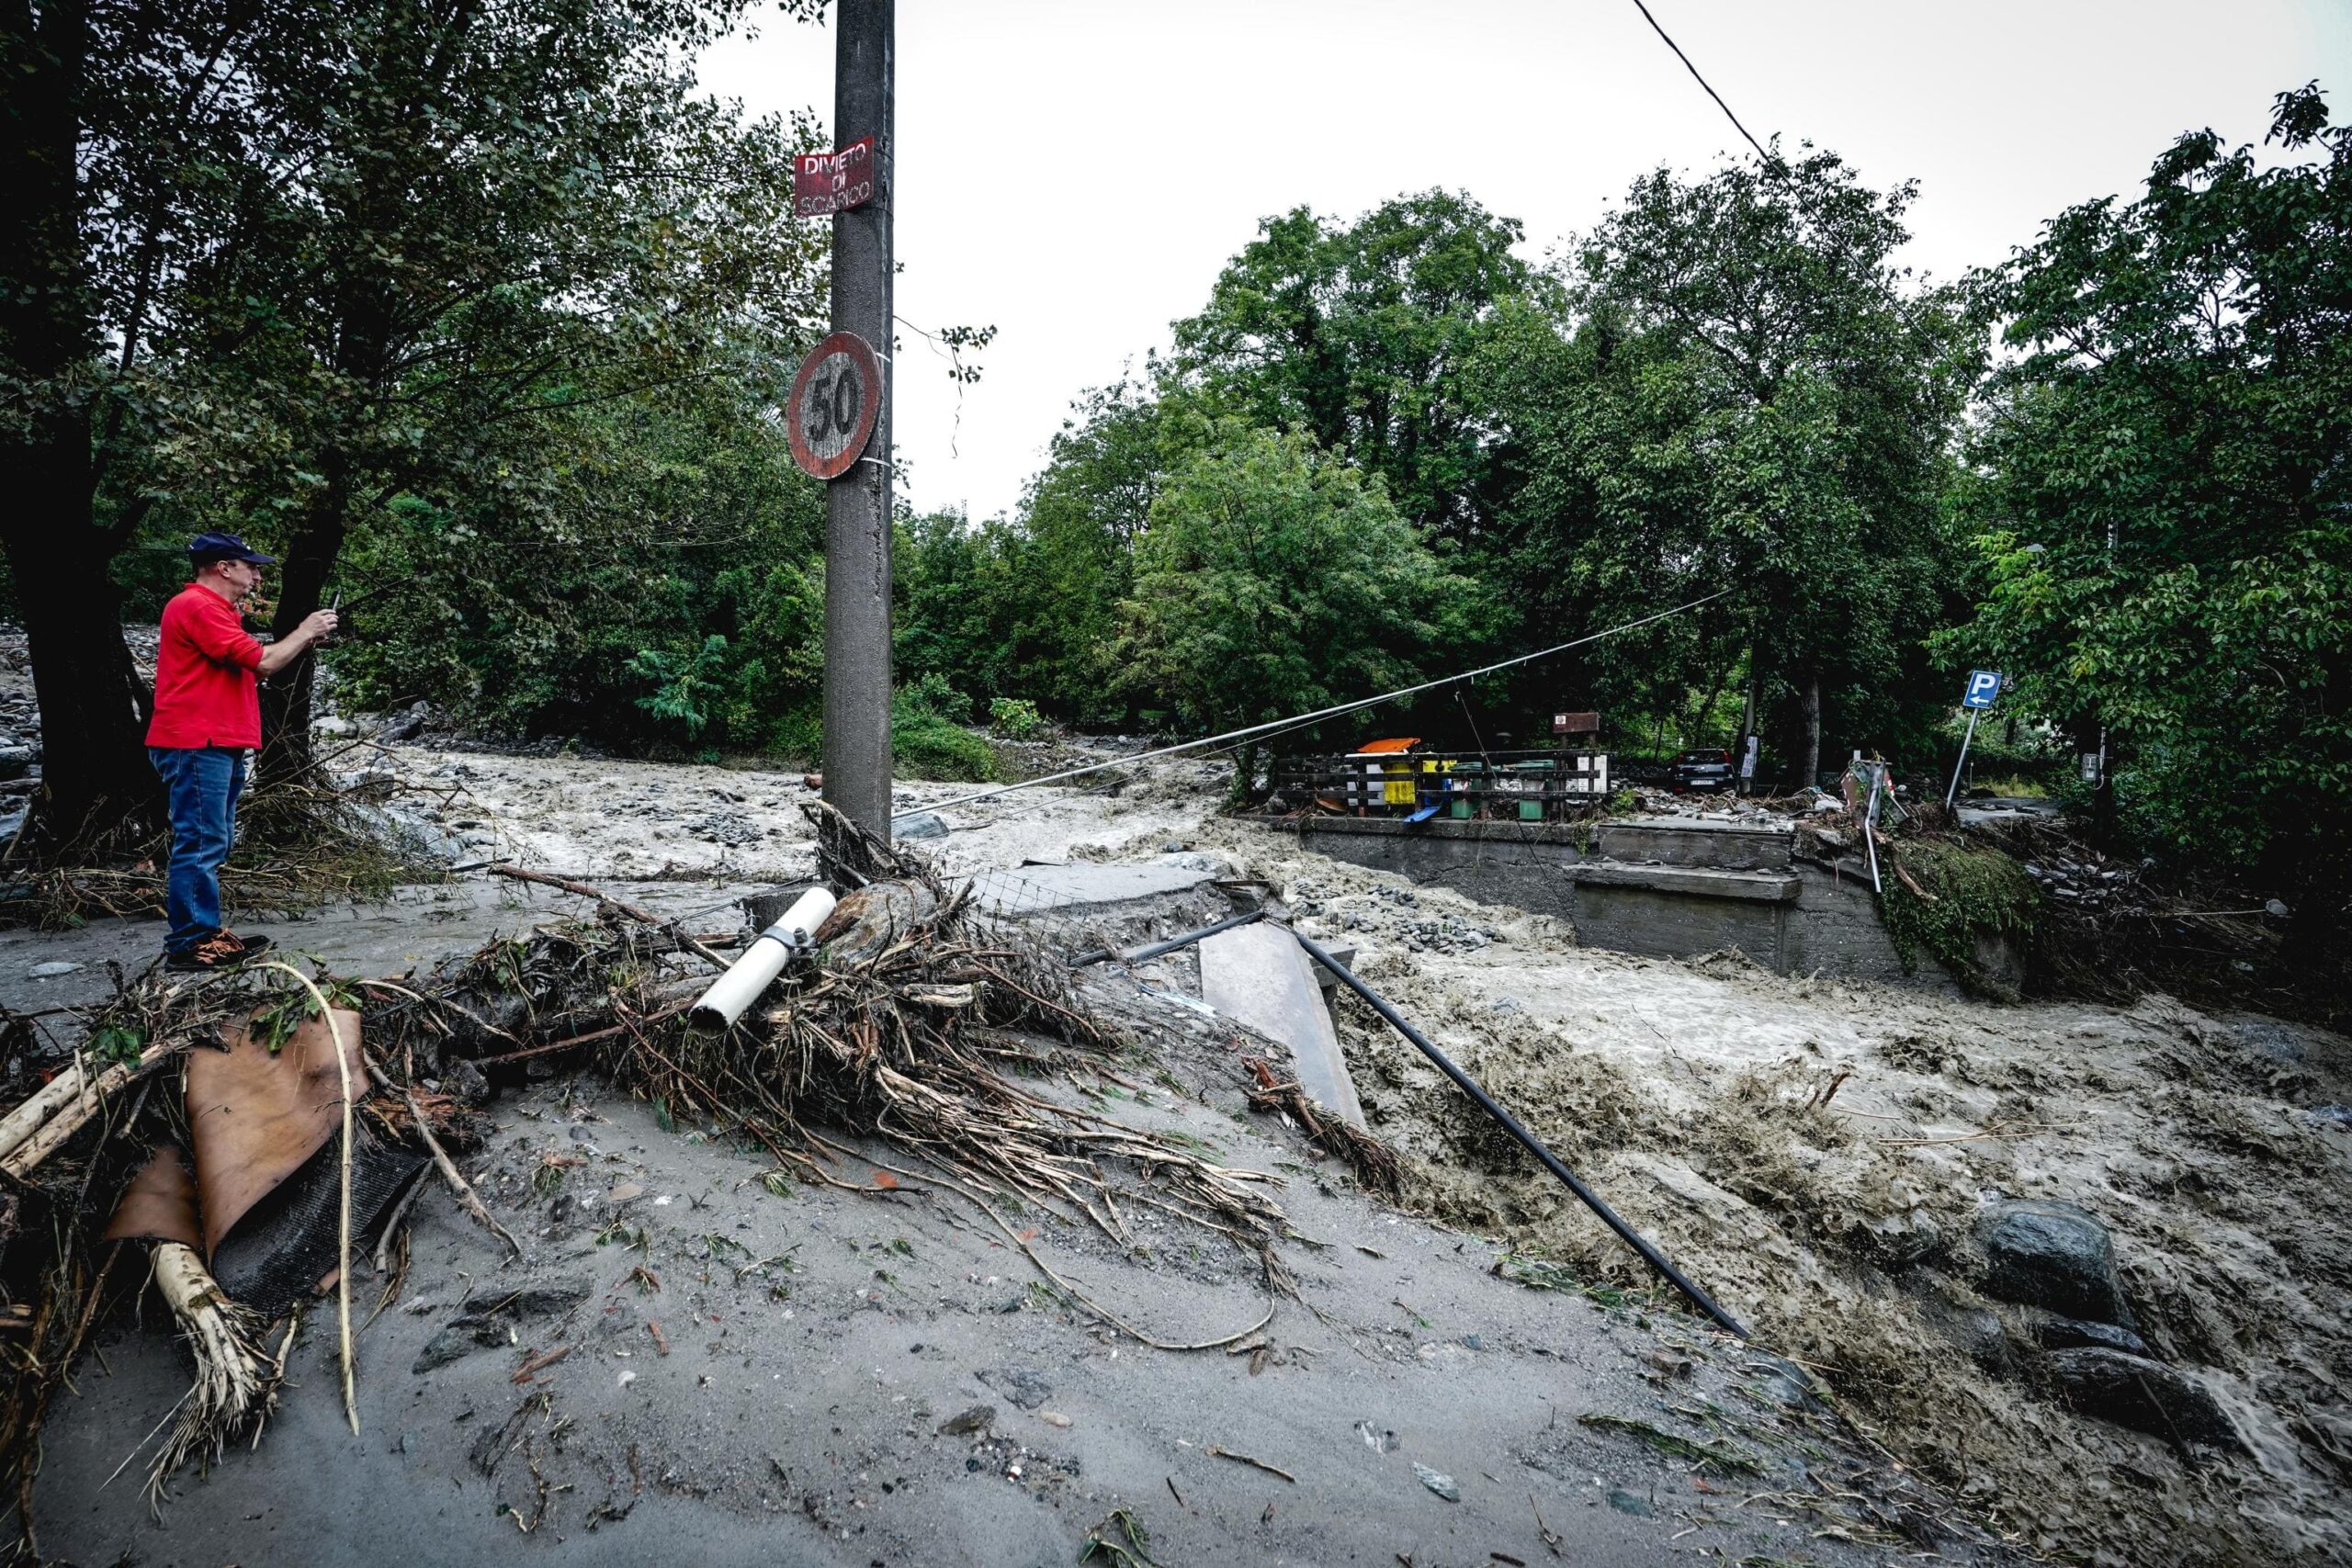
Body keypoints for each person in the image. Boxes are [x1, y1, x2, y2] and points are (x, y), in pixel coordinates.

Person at [146, 533, 338, 971]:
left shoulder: (217, 611)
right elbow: (264, 662)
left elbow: (250, 662)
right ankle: (191, 944)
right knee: (201, 841)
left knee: (213, 839)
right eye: (250, 565)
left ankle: (204, 934)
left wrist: (303, 641)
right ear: (223, 567)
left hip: (216, 740)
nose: (257, 574)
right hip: (197, 741)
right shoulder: (196, 606)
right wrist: (305, 629)